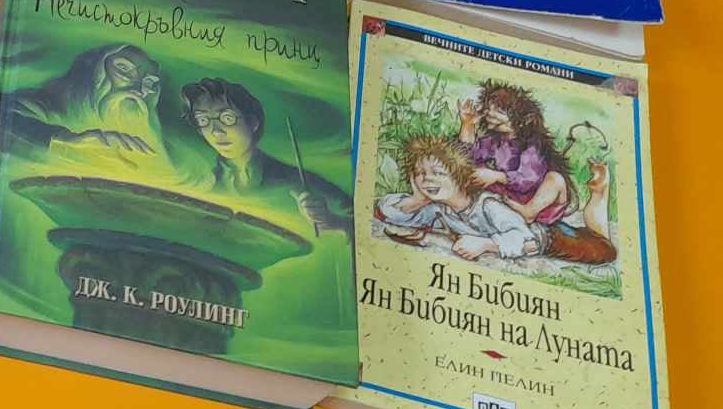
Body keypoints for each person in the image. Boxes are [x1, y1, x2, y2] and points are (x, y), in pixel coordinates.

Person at [376, 135, 614, 264]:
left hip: (554, 239)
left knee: (603, 249)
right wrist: (417, 200)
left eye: (438, 173)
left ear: (460, 177)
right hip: (536, 234)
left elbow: (527, 239)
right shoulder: (440, 208)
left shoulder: (488, 205)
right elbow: (386, 211)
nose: (428, 179)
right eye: (420, 173)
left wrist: (486, 244)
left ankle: (600, 192)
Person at [180, 78, 352, 237]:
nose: (216, 131)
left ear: (253, 122)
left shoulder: (299, 181)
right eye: (203, 120)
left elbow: (359, 221)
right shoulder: (200, 181)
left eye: (227, 118)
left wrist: (331, 221)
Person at [460, 80, 571, 224]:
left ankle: (528, 213)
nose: (489, 114)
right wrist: (467, 125)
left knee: (555, 179)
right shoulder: (493, 141)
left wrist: (497, 176)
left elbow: (527, 179)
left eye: (499, 112)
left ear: (522, 121)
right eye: (488, 108)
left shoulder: (533, 145)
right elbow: (466, 157)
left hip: (535, 200)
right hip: (508, 198)